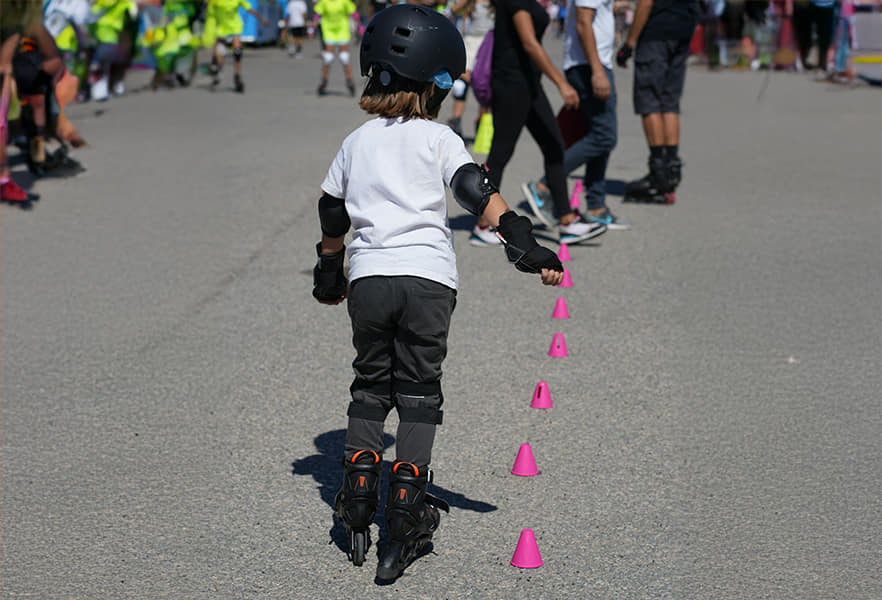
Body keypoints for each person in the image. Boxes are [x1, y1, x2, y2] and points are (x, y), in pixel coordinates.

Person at [312, 4, 564, 581]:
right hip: (427, 283)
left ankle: (355, 499)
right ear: (440, 84)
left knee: (371, 385)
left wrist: (330, 268)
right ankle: (405, 512)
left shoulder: (356, 141)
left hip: (371, 281)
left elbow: (332, 208)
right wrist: (523, 244)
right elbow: (477, 190)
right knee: (419, 392)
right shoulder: (440, 138)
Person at [476, 0, 606, 246]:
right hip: (512, 83)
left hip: (529, 85)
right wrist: (561, 83)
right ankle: (484, 224)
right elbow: (529, 44)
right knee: (501, 153)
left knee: (554, 146)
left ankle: (567, 222)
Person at [523, 0, 631, 231]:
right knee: (604, 137)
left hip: (591, 64)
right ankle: (544, 185)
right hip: (588, 66)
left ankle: (596, 207)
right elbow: (583, 21)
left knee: (598, 136)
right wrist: (597, 70)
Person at [616, 0, 698, 204]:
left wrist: (629, 44)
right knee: (670, 102)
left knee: (649, 100)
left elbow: (645, 3)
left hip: (656, 33)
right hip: (681, 30)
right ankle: (672, 169)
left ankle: (659, 172)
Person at [445, 0, 494, 139]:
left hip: (489, 44)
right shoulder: (471, 2)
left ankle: (482, 122)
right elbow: (451, 11)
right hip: (471, 43)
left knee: (484, 86)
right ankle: (456, 120)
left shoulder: (497, 3)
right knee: (460, 85)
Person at [205, 0, 269, 93]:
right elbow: (210, 15)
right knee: (219, 55)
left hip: (235, 27)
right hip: (221, 29)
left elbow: (250, 9)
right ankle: (218, 70)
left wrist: (261, 19)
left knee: (237, 52)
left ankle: (237, 77)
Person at [88, 0, 138, 101]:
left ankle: (109, 86)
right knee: (110, 61)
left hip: (107, 34)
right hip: (108, 34)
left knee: (106, 61)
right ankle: (111, 85)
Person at [312, 0, 358, 96]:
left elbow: (354, 13)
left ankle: (349, 81)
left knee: (344, 57)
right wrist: (312, 27)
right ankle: (323, 81)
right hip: (329, 31)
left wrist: (360, 26)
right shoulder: (324, 2)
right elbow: (317, 14)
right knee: (328, 57)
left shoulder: (344, 1)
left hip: (342, 30)